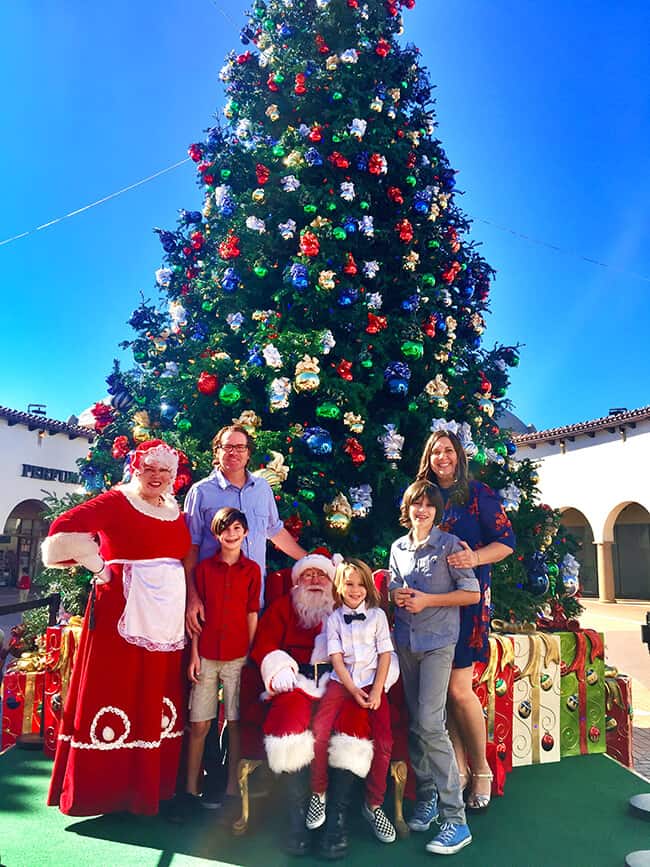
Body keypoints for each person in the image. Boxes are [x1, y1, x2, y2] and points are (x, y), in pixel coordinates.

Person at [41, 439, 191, 816]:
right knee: (116, 684)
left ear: (173, 476)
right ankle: (104, 790)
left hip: (166, 617)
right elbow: (62, 531)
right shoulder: (116, 500)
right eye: (149, 469)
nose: (156, 477)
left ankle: (149, 784)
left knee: (155, 690)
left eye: (164, 471)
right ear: (135, 469)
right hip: (120, 612)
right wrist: (97, 566)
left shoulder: (174, 510)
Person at [251, 551, 383, 856]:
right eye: (306, 575)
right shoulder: (284, 607)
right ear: (296, 582)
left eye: (320, 575)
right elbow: (265, 645)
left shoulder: (344, 608)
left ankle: (335, 820)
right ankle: (297, 819)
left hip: (340, 682)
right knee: (287, 722)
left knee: (354, 723)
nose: (313, 580)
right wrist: (279, 667)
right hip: (294, 680)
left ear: (332, 581)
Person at [416, 429, 515, 812]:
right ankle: (456, 767)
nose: (442, 457)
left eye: (448, 451)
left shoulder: (478, 495)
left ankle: (482, 770)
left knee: (459, 690)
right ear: (428, 456)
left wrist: (474, 558)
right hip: (433, 604)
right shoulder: (424, 496)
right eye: (436, 451)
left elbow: (507, 542)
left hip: (469, 604)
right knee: (443, 693)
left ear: (458, 455)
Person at [389, 479, 480, 856]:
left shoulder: (450, 546)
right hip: (406, 644)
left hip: (439, 644)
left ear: (436, 511)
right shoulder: (397, 547)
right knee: (416, 722)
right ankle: (426, 796)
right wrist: (395, 594)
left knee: (430, 723)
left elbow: (472, 593)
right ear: (407, 508)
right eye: (416, 504)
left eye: (428, 505)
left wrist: (429, 600)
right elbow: (394, 588)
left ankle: (455, 819)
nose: (421, 510)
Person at [308, 558, 398, 859]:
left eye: (360, 584)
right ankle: (318, 793)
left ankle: (373, 804)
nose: (355, 589)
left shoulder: (377, 617)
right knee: (319, 732)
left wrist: (375, 689)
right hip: (342, 683)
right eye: (349, 583)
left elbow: (385, 655)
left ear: (368, 588)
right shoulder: (333, 619)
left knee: (384, 742)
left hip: (373, 684)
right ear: (340, 586)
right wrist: (352, 690)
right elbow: (335, 659)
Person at [184, 424, 306, 633]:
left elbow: (274, 531)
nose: (234, 453)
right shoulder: (200, 492)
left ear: (248, 453)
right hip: (214, 601)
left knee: (248, 661)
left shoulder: (262, 488)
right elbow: (190, 548)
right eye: (228, 447)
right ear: (217, 451)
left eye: (240, 447)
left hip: (253, 599)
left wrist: (311, 560)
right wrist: (192, 597)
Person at [182, 507, 261, 818]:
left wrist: (252, 653)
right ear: (216, 534)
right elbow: (196, 619)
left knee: (236, 722)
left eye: (237, 528)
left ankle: (232, 789)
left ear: (245, 532)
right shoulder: (203, 570)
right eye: (225, 529)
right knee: (200, 723)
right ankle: (191, 789)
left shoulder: (252, 570)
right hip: (206, 656)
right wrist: (194, 654)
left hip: (238, 656)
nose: (231, 534)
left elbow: (251, 613)